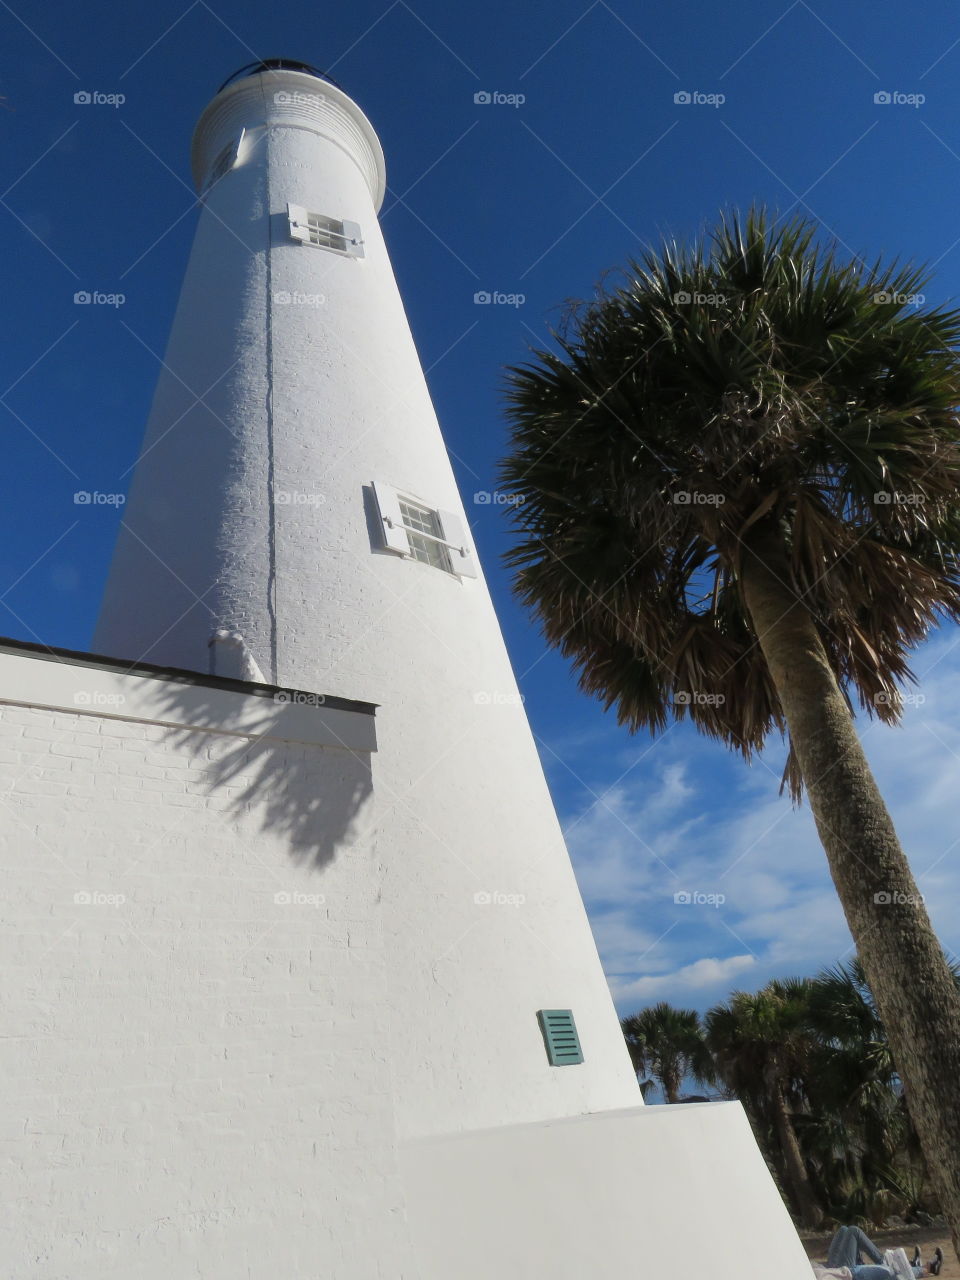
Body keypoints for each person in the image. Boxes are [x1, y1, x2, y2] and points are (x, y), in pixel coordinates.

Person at [820, 1226, 943, 1278]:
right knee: (853, 1231)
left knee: (844, 1230)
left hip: (826, 1268)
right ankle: (927, 1268)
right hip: (839, 1273)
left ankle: (909, 1265)